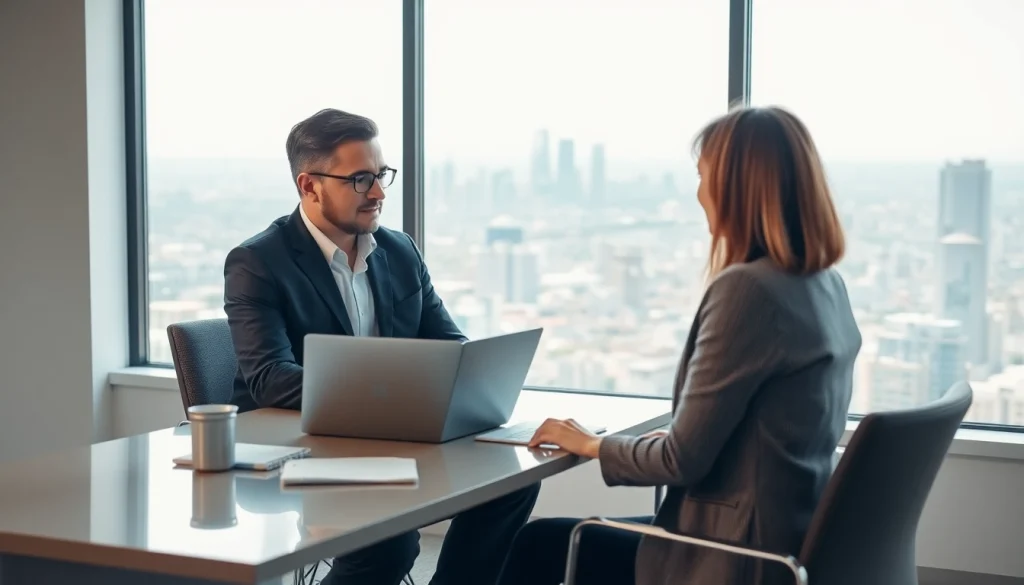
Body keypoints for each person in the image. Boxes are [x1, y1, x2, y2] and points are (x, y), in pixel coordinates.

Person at [496, 106, 862, 585]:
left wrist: (589, 444)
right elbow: (760, 431)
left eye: (703, 176)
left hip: (732, 552)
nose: (699, 193)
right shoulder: (823, 284)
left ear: (735, 187)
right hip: (789, 537)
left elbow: (681, 461)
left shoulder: (749, 291)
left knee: (538, 545)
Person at [223, 108, 539, 585]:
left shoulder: (399, 250)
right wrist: (392, 396)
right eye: (361, 179)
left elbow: (449, 344)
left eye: (381, 174)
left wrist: (458, 383)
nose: (379, 192)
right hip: (296, 450)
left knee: (511, 482)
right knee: (389, 540)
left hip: (389, 440)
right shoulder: (258, 261)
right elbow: (269, 379)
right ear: (309, 186)